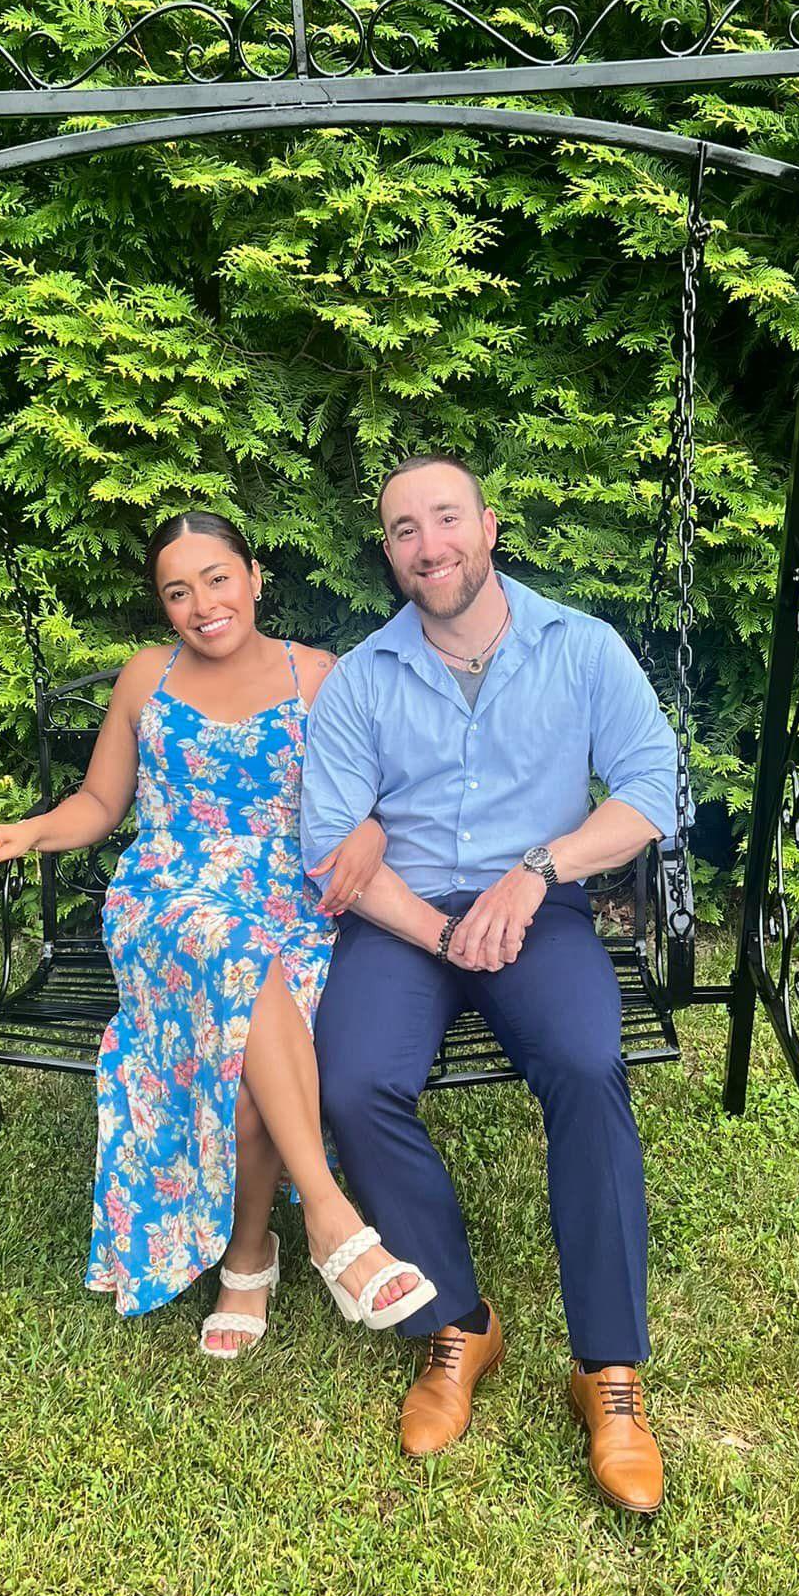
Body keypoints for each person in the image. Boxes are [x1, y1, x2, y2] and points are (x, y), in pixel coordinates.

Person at [0, 510, 438, 1357]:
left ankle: (250, 1258)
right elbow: (101, 803)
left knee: (250, 1066)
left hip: (290, 902)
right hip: (169, 902)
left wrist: (370, 829)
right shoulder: (147, 677)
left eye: (218, 579)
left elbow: (378, 791)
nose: (203, 605)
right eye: (178, 592)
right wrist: (26, 832)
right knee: (237, 958)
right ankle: (331, 1217)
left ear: (254, 577)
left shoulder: (317, 674)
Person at [298, 456, 682, 1513]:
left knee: (586, 1063)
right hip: (403, 918)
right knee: (353, 1081)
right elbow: (329, 838)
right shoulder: (363, 678)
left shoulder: (581, 647)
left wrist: (539, 869)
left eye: (446, 519)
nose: (429, 545)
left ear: (489, 526)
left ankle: (607, 1370)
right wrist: (440, 931)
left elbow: (651, 788)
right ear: (390, 555)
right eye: (404, 530)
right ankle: (459, 1326)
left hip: (536, 908)